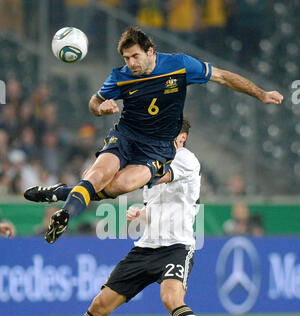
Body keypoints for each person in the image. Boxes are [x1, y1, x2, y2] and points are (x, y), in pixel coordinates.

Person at [24, 25, 283, 244]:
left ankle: (62, 192)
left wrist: (261, 94)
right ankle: (66, 214)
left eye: (135, 56)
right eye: (126, 58)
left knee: (118, 187)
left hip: (157, 150)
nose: (131, 63)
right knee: (97, 174)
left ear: (150, 51)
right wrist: (101, 109)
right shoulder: (121, 77)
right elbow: (94, 102)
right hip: (125, 137)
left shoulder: (179, 65)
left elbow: (224, 77)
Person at [23, 119, 217, 316]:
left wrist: (65, 192)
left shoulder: (185, 160)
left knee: (170, 297)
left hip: (176, 247)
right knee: (100, 305)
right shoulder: (154, 158)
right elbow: (160, 202)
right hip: (145, 248)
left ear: (181, 138)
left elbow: (138, 180)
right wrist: (141, 213)